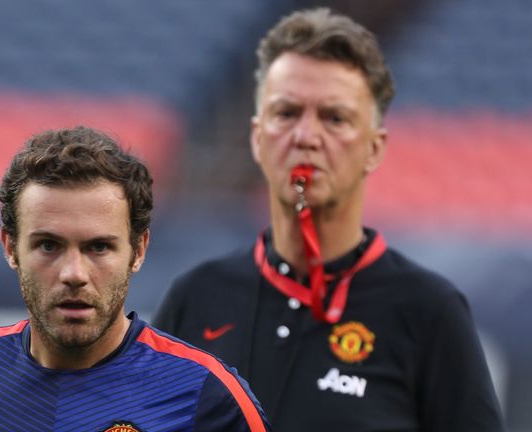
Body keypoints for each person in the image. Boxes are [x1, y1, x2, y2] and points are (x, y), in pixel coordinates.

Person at [153, 8, 505, 431]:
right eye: (286, 114)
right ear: (257, 139)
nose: (307, 138)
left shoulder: (428, 313)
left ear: (374, 148)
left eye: (335, 118)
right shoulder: (196, 298)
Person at [0, 126, 271, 431]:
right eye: (48, 245)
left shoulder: (206, 396)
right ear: (10, 246)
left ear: (138, 250)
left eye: (98, 247)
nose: (74, 274)